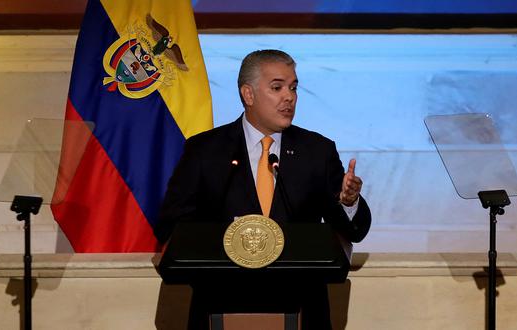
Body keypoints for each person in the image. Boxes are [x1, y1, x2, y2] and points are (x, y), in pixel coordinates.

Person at [155, 49, 371, 329]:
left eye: (293, 88)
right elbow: (170, 226)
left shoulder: (316, 151)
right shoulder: (205, 150)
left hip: (301, 307)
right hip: (220, 305)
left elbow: (355, 231)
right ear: (248, 94)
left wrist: (349, 201)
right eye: (277, 87)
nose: (289, 97)